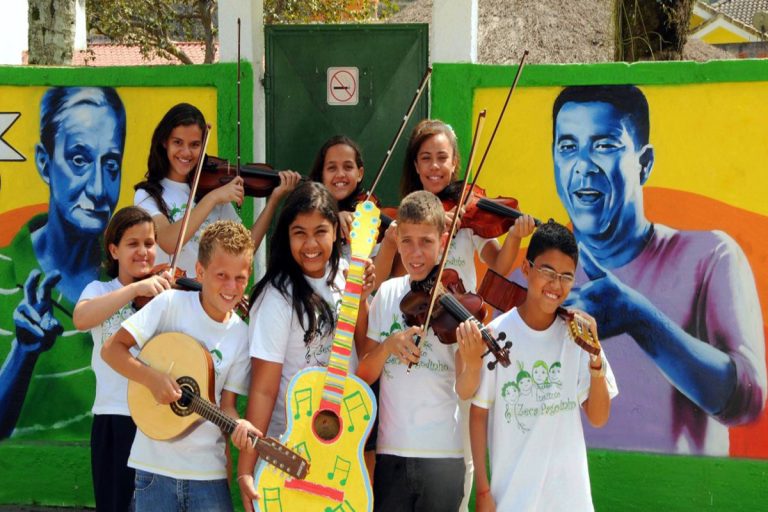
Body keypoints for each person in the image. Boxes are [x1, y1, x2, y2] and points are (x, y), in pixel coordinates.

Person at [551, 85, 766, 455]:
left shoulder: (710, 257)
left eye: (604, 145)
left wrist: (638, 317)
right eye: (568, 147)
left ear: (644, 163)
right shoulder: (534, 273)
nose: (583, 166)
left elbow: (748, 400)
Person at [372, 119, 536, 509]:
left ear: (455, 163)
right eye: (425, 158)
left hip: (456, 324)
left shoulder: (469, 218)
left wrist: (513, 235)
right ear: (414, 165)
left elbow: (498, 265)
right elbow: (391, 279)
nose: (434, 166)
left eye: (442, 158)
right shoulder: (405, 221)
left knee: (458, 440)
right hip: (413, 319)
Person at [101, 220, 258, 511]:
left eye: (240, 278)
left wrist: (240, 425)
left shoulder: (240, 335)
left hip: (207, 474)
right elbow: (112, 350)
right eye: (221, 275)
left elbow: (227, 406)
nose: (231, 287)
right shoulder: (171, 304)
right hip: (153, 470)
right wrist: (151, 379)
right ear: (200, 272)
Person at [237, 182, 375, 509]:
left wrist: (363, 297)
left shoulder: (348, 274)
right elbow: (263, 390)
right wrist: (245, 469)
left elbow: (364, 350)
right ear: (286, 236)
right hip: (289, 450)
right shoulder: (276, 297)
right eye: (299, 233)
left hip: (339, 450)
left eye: (320, 232)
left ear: (336, 233)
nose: (310, 244)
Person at [0, 86, 126, 440]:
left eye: (111, 164)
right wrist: (24, 354)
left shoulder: (129, 282)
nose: (99, 189)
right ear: (44, 163)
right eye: (80, 160)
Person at [470, 221, 618, 511]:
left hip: (570, 500)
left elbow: (598, 417)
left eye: (566, 276)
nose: (555, 284)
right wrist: (483, 491)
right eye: (547, 271)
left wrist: (595, 358)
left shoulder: (577, 334)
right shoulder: (497, 335)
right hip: (512, 499)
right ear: (526, 269)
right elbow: (478, 416)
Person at [356, 190, 487, 512]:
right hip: (391, 454)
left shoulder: (455, 301)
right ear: (396, 238)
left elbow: (465, 389)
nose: (416, 253)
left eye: (426, 242)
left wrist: (471, 362)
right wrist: (388, 346)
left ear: (442, 241)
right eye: (407, 241)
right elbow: (364, 373)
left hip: (443, 455)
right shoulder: (387, 293)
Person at [73, 206, 172, 512]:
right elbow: (81, 318)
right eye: (133, 244)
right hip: (114, 416)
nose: (143, 251)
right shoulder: (100, 289)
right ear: (114, 250)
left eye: (149, 243)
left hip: (157, 419)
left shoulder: (166, 294)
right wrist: (134, 289)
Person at [134, 103, 301, 277]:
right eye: (178, 142)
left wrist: (273, 201)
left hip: (207, 298)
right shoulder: (147, 196)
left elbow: (245, 249)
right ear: (164, 142)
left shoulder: (212, 189)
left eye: (195, 145)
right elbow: (169, 242)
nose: (186, 152)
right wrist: (212, 199)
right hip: (170, 297)